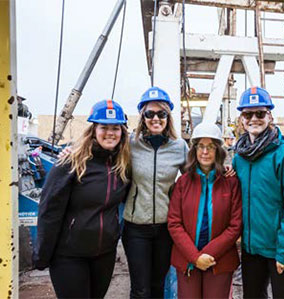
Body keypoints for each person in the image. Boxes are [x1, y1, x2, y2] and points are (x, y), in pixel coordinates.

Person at [33, 99, 131, 298]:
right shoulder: (71, 162)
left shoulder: (122, 165)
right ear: (94, 129)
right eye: (104, 127)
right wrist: (42, 255)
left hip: (104, 255)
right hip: (69, 256)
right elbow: (49, 210)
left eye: (115, 128)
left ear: (122, 132)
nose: (110, 133)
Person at [232, 87, 284, 299]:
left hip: (282, 249)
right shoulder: (240, 157)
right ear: (241, 119)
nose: (254, 119)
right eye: (248, 114)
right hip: (253, 249)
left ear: (270, 116)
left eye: (260, 113)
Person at [122, 86, 189, 298]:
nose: (156, 118)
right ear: (143, 117)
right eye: (150, 114)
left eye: (162, 113)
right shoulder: (130, 144)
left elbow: (196, 177)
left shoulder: (179, 147)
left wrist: (224, 169)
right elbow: (102, 151)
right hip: (135, 228)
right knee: (140, 289)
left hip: (165, 228)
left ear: (168, 117)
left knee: (158, 285)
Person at [168, 122, 242, 299]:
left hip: (219, 259)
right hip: (187, 259)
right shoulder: (183, 183)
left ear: (218, 150)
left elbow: (235, 225)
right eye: (201, 146)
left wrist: (208, 253)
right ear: (194, 150)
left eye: (210, 147)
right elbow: (174, 223)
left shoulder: (230, 182)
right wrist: (195, 257)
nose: (205, 152)